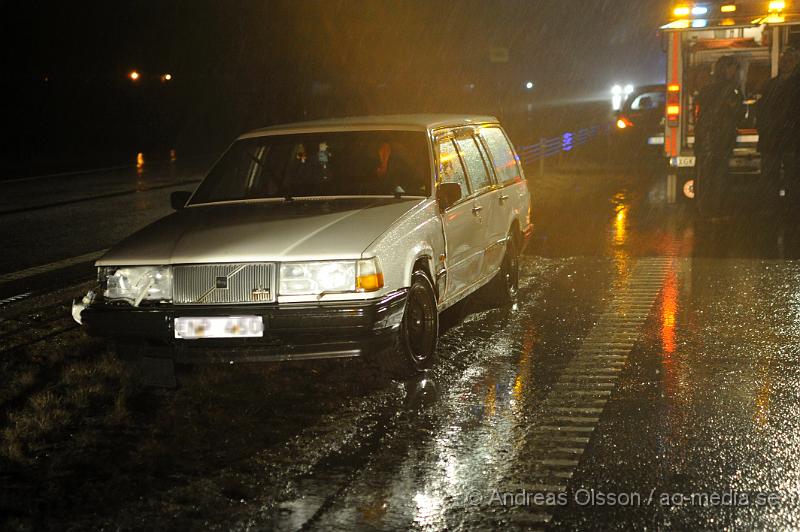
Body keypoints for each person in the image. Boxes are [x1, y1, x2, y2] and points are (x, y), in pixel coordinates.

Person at [694, 55, 743, 215]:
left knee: (707, 177)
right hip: (718, 139)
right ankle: (715, 210)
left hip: (710, 140)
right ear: (724, 69)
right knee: (717, 177)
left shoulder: (708, 88)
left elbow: (700, 115)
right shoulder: (730, 89)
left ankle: (706, 210)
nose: (734, 71)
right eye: (731, 68)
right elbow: (738, 113)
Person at [757, 47, 800, 203]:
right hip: (773, 139)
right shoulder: (772, 84)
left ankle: (790, 206)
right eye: (784, 59)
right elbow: (761, 108)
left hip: (791, 139)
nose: (785, 63)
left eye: (789, 59)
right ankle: (772, 205)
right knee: (770, 174)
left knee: (792, 175)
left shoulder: (794, 85)